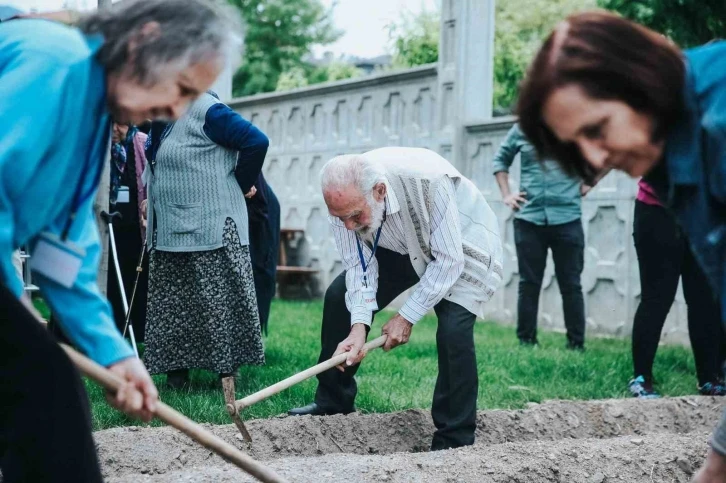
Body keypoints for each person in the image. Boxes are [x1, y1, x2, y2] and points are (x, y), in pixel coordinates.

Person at [0, 0, 240, 481]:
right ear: (144, 41)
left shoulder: (93, 122)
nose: (173, 111)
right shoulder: (55, 63)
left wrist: (116, 354)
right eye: (182, 90)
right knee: (44, 382)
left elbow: (62, 249)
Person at [515, 10, 726, 481]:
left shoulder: (721, 119)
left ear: (638, 80)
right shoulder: (669, 157)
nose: (594, 159)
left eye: (596, 129)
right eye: (577, 145)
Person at [288, 147, 503, 451]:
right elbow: (357, 266)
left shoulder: (429, 182)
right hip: (400, 243)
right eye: (341, 218)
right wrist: (359, 326)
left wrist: (407, 316)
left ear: (379, 191)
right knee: (340, 297)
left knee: (454, 330)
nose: (348, 226)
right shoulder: (346, 203)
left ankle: (454, 439)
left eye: (354, 216)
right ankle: (333, 403)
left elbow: (448, 261)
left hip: (461, 245)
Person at [142, 91, 268, 388]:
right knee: (174, 305)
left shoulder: (206, 109)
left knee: (218, 302)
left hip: (212, 227)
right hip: (172, 227)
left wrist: (239, 183)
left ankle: (226, 373)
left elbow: (256, 141)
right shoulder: (161, 116)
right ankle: (177, 375)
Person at [492, 122, 588, 349]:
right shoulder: (523, 128)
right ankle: (526, 341)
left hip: (568, 218)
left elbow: (606, 153)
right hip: (529, 219)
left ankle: (576, 344)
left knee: (571, 284)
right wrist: (507, 195)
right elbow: (500, 161)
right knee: (529, 283)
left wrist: (590, 181)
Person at [629, 180, 725, 398]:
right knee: (657, 298)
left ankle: (709, 378)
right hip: (657, 210)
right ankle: (641, 378)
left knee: (704, 300)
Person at [107, 122, 150, 342]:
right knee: (112, 282)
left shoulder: (142, 142)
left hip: (136, 229)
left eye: (120, 124)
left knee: (137, 280)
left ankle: (137, 335)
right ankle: (114, 333)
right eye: (111, 124)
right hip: (109, 227)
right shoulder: (103, 147)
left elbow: (151, 178)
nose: (115, 129)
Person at [246, 173, 281, 335]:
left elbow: (258, 146)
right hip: (247, 207)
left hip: (260, 209)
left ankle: (254, 335)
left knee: (258, 270)